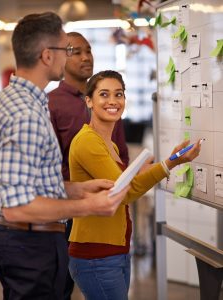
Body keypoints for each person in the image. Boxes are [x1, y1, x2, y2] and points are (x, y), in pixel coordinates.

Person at [0, 14, 129, 300]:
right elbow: (18, 207)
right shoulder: (26, 114)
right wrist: (89, 206)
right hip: (30, 242)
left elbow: (28, 183)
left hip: (23, 239)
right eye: (66, 50)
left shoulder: (12, 100)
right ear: (47, 55)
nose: (70, 57)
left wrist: (76, 189)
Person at [68, 70, 202, 300]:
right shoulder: (88, 141)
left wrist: (166, 162)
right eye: (104, 94)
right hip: (96, 255)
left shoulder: (109, 144)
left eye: (118, 94)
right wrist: (171, 163)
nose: (113, 101)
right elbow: (123, 193)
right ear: (89, 100)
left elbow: (126, 182)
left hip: (114, 252)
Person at [48, 31, 129, 299]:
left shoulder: (106, 103)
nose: (85, 57)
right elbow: (47, 164)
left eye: (89, 50)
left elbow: (122, 155)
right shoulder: (51, 103)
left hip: (106, 209)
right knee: (60, 288)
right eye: (76, 51)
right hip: (66, 213)